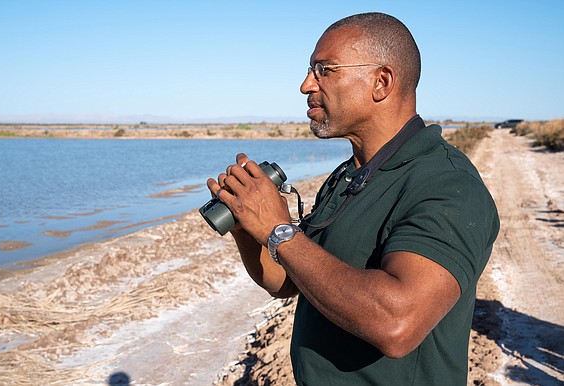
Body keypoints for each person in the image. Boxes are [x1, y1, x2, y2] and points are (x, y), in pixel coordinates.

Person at [206, 12, 500, 385]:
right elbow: (286, 279)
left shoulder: (449, 187)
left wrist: (279, 229)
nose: (305, 85)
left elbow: (398, 323)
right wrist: (249, 224)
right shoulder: (350, 175)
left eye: (324, 70)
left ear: (382, 82)